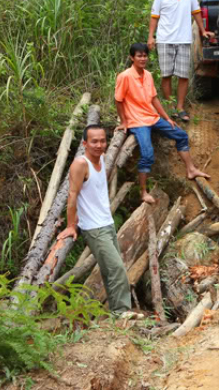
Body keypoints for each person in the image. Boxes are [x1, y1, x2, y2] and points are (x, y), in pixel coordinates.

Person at [115, 43, 210, 204]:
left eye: (145, 55)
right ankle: (143, 192)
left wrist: (166, 117)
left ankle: (191, 169)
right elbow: (118, 100)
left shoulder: (148, 75)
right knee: (147, 154)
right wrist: (124, 121)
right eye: (139, 55)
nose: (143, 58)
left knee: (181, 135)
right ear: (132, 58)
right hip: (137, 121)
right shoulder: (124, 76)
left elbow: (153, 98)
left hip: (152, 117)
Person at [56, 125, 132, 314]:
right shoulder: (81, 164)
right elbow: (72, 196)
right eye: (94, 141)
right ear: (85, 143)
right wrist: (71, 226)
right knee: (117, 269)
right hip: (94, 228)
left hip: (107, 223)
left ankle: (116, 313)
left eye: (102, 140)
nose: (99, 145)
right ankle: (121, 312)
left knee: (110, 270)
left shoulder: (101, 160)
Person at [148, 0, 214, 122]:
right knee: (166, 74)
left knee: (183, 75)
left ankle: (180, 107)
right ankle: (170, 108)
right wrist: (151, 37)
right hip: (164, 40)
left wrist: (203, 30)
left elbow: (196, 12)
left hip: (184, 40)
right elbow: (154, 17)